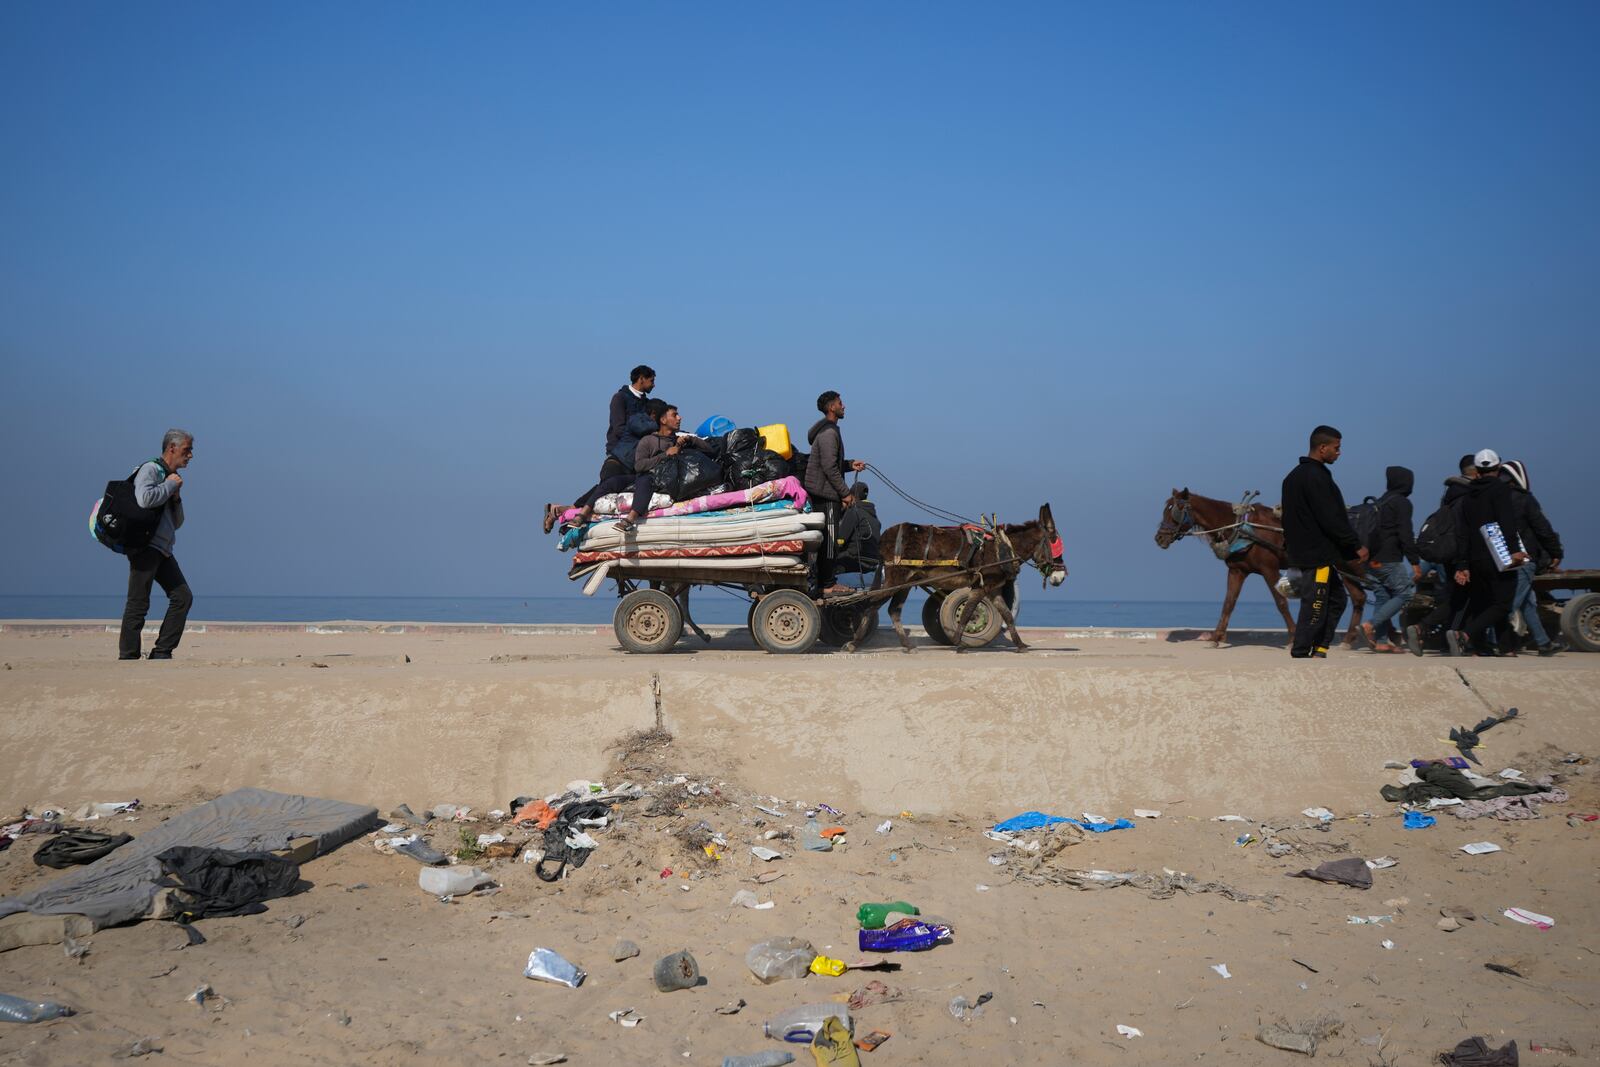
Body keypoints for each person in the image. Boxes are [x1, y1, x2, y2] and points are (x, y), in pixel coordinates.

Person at [1281, 425, 1366, 658]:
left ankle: (1319, 647)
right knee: (1315, 603)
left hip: (1312, 553)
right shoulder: (1314, 477)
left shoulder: (1293, 477)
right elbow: (1331, 517)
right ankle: (1301, 651)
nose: (1339, 452)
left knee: (1337, 599)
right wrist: (1355, 545)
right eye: (1336, 448)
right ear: (1322, 448)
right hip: (1315, 554)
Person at [544, 365, 656, 533]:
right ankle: (567, 515)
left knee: (607, 488)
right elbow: (618, 428)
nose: (653, 385)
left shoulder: (646, 403)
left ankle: (561, 510)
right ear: (641, 379)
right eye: (651, 380)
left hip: (634, 456)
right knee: (605, 488)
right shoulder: (620, 398)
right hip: (618, 453)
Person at [119, 430, 195, 661]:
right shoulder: (151, 469)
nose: (190, 456)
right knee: (138, 602)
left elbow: (178, 522)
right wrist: (169, 486)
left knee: (183, 597)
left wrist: (176, 496)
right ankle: (128, 656)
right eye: (186, 450)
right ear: (172, 448)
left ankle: (162, 652)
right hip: (145, 546)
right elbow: (144, 498)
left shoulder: (170, 477)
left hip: (163, 549)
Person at [1447, 449, 1529, 656]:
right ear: (1498, 467)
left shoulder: (1467, 495)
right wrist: (1515, 550)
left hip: (1474, 557)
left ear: (1477, 471)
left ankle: (1505, 647)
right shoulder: (1500, 490)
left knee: (1484, 603)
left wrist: (1463, 564)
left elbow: (1463, 532)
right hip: (1499, 554)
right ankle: (1464, 635)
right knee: (1502, 603)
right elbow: (1506, 521)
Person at [1405, 454, 1476, 655]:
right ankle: (1441, 633)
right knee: (1466, 598)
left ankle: (1440, 636)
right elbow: (1464, 531)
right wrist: (1464, 563)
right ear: (1476, 471)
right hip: (1462, 555)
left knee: (1455, 597)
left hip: (1448, 554)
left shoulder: (1450, 495)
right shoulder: (1468, 497)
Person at [804, 390, 867, 596]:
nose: (844, 406)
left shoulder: (826, 431)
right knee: (830, 542)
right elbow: (829, 468)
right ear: (832, 407)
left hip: (825, 493)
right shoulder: (829, 433)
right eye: (841, 403)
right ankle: (828, 584)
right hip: (826, 495)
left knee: (827, 541)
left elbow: (833, 464)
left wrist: (849, 465)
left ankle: (825, 582)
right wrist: (845, 494)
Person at [1502, 459, 1564, 656]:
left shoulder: (1495, 499)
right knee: (1511, 604)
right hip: (1524, 559)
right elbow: (1542, 528)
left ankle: (1543, 643)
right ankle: (1498, 642)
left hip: (1502, 558)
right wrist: (1556, 552)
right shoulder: (1524, 499)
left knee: (1528, 602)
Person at [1360, 466, 1421, 653]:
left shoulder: (1381, 501)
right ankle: (1370, 624)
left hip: (1371, 559)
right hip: (1389, 558)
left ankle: (1381, 641)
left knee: (1383, 596)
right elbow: (1406, 534)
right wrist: (1414, 562)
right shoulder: (1401, 503)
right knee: (1406, 592)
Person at [833, 481, 882, 583]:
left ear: (852, 496)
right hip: (872, 563)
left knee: (826, 561)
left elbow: (840, 540)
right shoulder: (874, 517)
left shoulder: (853, 512)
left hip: (854, 561)